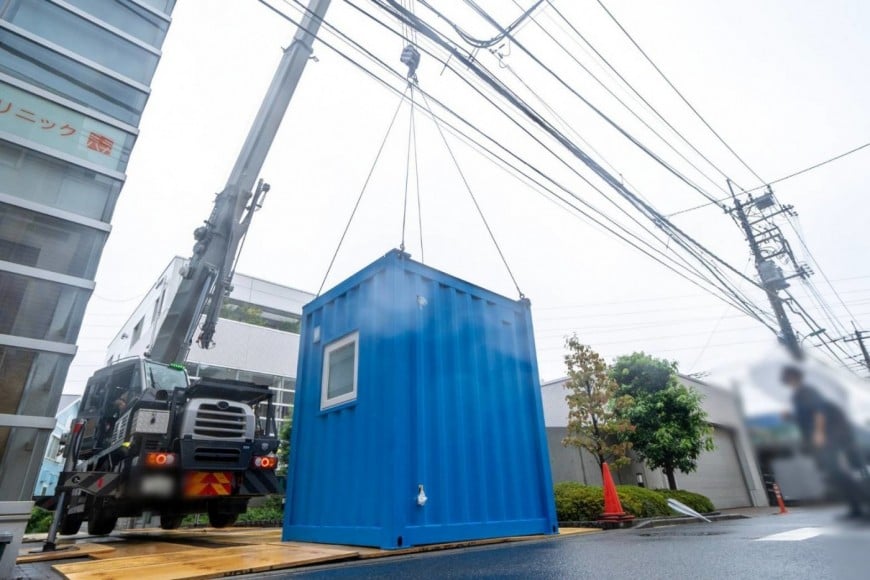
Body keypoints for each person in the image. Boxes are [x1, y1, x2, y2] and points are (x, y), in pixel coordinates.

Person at [781, 364, 869, 518]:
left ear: (793, 377)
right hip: (824, 438)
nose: (786, 381)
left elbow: (819, 411)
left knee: (837, 472)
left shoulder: (806, 392)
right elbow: (806, 419)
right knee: (835, 473)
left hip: (829, 438)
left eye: (788, 378)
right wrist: (791, 417)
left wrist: (819, 433)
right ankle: (856, 508)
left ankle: (861, 505)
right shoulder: (798, 396)